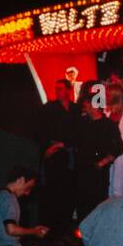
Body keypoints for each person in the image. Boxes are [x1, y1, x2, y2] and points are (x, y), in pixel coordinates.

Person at [37, 78, 79, 230]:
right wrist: (46, 150)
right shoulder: (49, 108)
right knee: (53, 189)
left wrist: (68, 145)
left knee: (68, 191)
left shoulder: (76, 109)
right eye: (56, 89)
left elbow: (79, 132)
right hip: (54, 153)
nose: (57, 92)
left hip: (70, 153)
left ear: (68, 90)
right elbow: (41, 131)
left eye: (60, 89)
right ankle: (50, 227)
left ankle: (64, 227)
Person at [75, 93, 123, 219]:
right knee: (82, 202)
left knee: (97, 203)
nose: (84, 108)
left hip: (98, 172)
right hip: (82, 169)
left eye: (87, 105)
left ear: (95, 107)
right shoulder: (83, 124)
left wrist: (103, 162)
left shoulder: (109, 125)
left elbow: (119, 147)